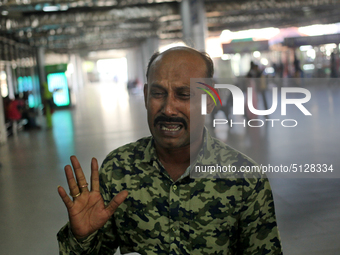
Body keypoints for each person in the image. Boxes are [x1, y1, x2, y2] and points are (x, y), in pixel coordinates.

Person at [57, 47, 282, 254]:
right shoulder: (118, 169)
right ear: (145, 96)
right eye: (158, 93)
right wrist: (82, 238)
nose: (168, 108)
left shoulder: (246, 180)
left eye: (184, 95)